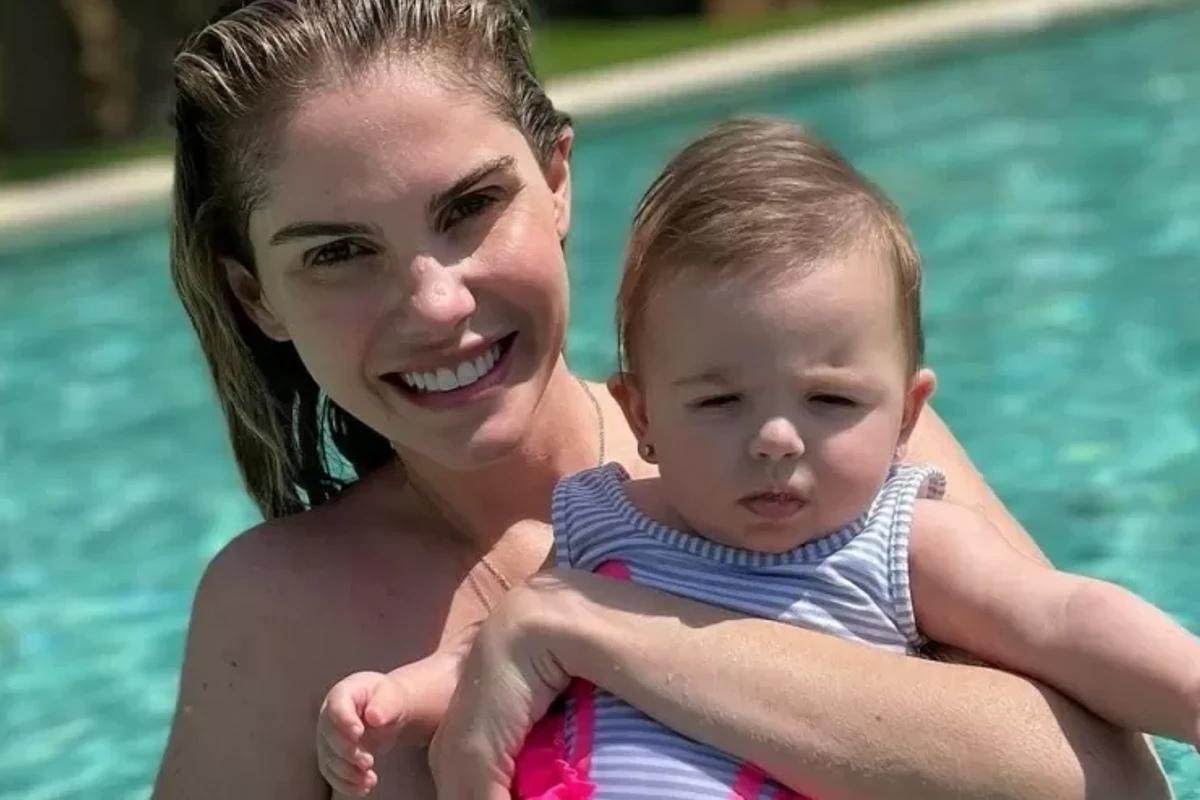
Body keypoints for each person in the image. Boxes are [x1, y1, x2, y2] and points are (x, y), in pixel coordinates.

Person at [154, 1, 1172, 798]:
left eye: (469, 207)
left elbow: (1117, 785)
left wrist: (597, 628)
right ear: (258, 296)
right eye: (337, 252)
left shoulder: (819, 433)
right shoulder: (276, 612)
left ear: (557, 178)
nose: (436, 302)